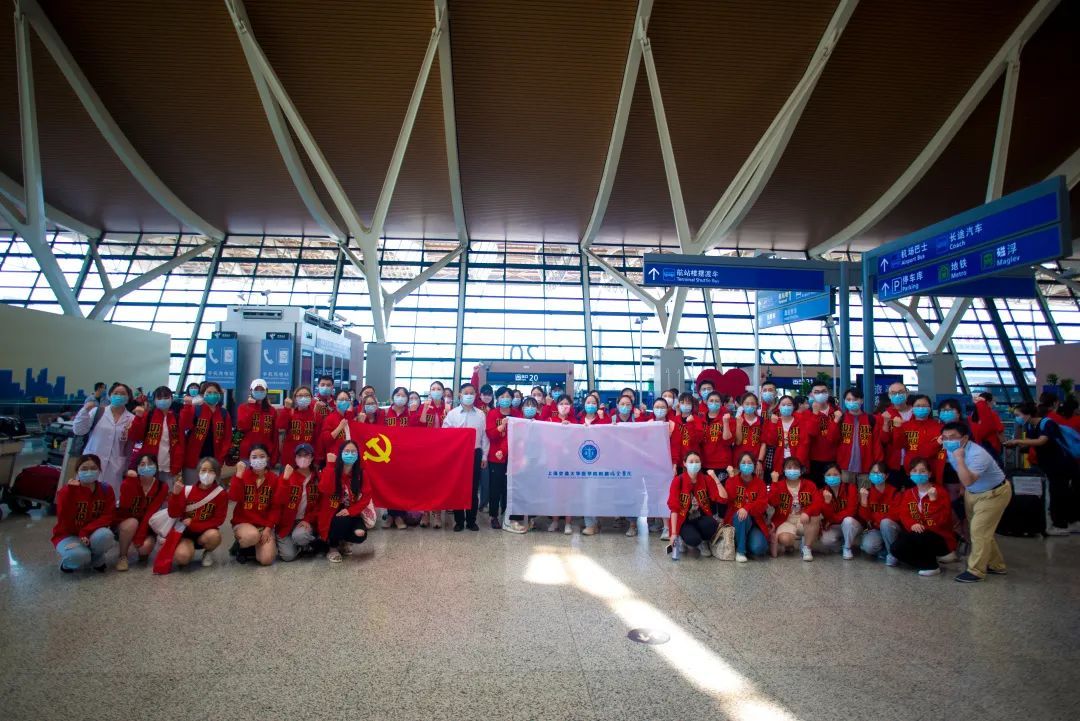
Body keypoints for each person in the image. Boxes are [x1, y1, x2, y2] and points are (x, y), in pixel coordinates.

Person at [942, 422, 1011, 583]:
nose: (948, 441)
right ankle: (996, 565)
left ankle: (976, 571)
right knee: (981, 530)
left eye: (953, 437)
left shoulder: (977, 454)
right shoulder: (951, 449)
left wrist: (960, 459)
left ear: (965, 438)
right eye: (945, 437)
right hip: (973, 493)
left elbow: (968, 480)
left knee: (979, 530)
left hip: (993, 494)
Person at [1006, 402, 1079, 536]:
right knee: (1058, 492)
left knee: (1058, 494)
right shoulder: (1030, 425)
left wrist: (1018, 441)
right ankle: (1068, 521)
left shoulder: (1047, 423)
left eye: (1018, 415)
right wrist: (1015, 443)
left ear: (1028, 414)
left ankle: (1061, 525)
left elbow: (1041, 441)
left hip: (1061, 464)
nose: (1017, 418)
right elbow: (1029, 443)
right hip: (1049, 465)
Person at [890, 457, 955, 576]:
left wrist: (933, 501)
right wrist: (912, 524)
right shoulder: (909, 493)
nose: (918, 474)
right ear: (910, 474)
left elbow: (941, 520)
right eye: (914, 471)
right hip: (917, 534)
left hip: (938, 537)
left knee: (920, 535)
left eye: (922, 471)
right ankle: (924, 562)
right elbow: (903, 514)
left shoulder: (940, 492)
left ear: (929, 474)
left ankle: (932, 566)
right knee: (896, 548)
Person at [52, 454, 116, 573]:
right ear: (77, 471)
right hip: (69, 534)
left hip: (92, 532)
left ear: (99, 470)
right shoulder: (66, 491)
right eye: (84, 469)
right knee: (78, 556)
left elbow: (108, 516)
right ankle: (69, 563)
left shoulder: (106, 489)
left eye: (93, 468)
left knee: (106, 535)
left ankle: (96, 559)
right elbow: (64, 518)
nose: (89, 472)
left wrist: (85, 531)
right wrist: (71, 493)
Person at [71, 381, 135, 493]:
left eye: (123, 394)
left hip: (115, 466)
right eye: (116, 393)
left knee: (110, 496)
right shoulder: (98, 412)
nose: (119, 396)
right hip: (92, 461)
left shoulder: (131, 419)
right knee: (85, 494)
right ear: (110, 396)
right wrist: (85, 411)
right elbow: (79, 430)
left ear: (128, 397)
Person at [165, 457, 227, 569]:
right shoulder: (187, 490)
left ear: (217, 474)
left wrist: (194, 524)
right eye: (203, 470)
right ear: (198, 472)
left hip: (205, 532)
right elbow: (173, 514)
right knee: (182, 558)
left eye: (211, 471)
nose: (207, 474)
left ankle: (208, 552)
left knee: (215, 536)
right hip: (186, 533)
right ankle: (187, 548)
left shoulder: (220, 494)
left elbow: (219, 520)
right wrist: (175, 495)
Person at [443, 383, 489, 532]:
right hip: (458, 455)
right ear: (460, 395)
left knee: (473, 489)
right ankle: (459, 521)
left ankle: (471, 520)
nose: (469, 395)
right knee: (458, 487)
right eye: (466, 393)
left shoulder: (481, 415)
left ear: (475, 395)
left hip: (475, 453)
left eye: (472, 393)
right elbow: (445, 434)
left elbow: (484, 437)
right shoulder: (453, 414)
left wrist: (484, 456)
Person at [666, 451, 725, 560]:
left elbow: (723, 498)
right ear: (684, 463)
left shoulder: (706, 479)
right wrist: (673, 533)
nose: (694, 464)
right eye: (691, 461)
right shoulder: (678, 480)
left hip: (700, 518)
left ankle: (704, 542)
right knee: (693, 540)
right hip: (684, 520)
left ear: (701, 464)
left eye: (697, 461)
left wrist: (715, 478)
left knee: (712, 524)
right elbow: (674, 509)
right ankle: (683, 538)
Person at [318, 443, 371, 563]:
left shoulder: (361, 474)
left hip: (351, 511)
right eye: (347, 451)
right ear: (340, 453)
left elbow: (366, 497)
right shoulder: (331, 470)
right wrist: (330, 465)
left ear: (357, 455)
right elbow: (324, 488)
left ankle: (344, 542)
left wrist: (350, 511)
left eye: (353, 452)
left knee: (360, 534)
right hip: (331, 512)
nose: (350, 454)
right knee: (342, 520)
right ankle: (332, 547)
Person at [114, 454, 168, 570]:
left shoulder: (162, 486)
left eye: (150, 464)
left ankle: (141, 553)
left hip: (146, 524)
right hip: (128, 520)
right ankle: (122, 556)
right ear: (137, 467)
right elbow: (125, 506)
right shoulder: (130, 481)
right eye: (142, 464)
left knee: (144, 548)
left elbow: (150, 512)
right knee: (132, 523)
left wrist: (140, 536)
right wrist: (130, 481)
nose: (147, 467)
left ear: (156, 466)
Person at [228, 445, 280, 566]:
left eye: (262, 456)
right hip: (244, 522)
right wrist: (238, 475)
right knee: (252, 536)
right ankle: (242, 546)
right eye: (254, 457)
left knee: (266, 560)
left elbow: (276, 507)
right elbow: (233, 497)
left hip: (264, 525)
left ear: (267, 458)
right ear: (249, 459)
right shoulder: (243, 475)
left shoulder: (274, 479)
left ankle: (254, 547)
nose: (258, 460)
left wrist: (268, 528)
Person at [767, 457, 822, 561]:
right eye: (789, 467)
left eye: (795, 467)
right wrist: (774, 483)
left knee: (815, 517)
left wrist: (807, 512)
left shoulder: (809, 485)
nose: (792, 470)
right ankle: (791, 544)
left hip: (803, 518)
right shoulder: (779, 485)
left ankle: (807, 548)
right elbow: (772, 502)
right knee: (785, 539)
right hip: (786, 520)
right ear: (784, 470)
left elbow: (818, 503)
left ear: (801, 470)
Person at [274, 444, 323, 561]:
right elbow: (277, 500)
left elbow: (320, 504)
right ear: (295, 458)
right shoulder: (288, 475)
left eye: (306, 455)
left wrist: (308, 519)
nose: (303, 458)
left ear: (312, 457)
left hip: (305, 521)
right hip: (286, 523)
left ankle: (311, 542)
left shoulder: (317, 477)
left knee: (300, 536)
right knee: (288, 556)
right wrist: (285, 480)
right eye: (299, 455)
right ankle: (301, 546)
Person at [179, 381, 232, 485]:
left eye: (215, 393)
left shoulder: (223, 413)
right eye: (209, 392)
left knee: (212, 489)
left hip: (214, 459)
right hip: (193, 459)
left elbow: (227, 438)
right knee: (191, 489)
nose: (212, 395)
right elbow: (184, 425)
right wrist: (187, 406)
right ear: (203, 395)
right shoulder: (195, 409)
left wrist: (221, 458)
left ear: (219, 395)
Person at [128, 385, 184, 482]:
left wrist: (178, 464)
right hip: (149, 465)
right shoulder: (148, 416)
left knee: (168, 490)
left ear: (171, 399)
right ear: (154, 400)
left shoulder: (177, 417)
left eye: (166, 397)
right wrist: (138, 418)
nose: (163, 400)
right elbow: (134, 437)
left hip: (170, 466)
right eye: (159, 397)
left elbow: (180, 443)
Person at [830, 387, 881, 489]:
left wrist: (878, 464)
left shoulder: (871, 419)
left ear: (861, 400)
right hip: (844, 467)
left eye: (855, 399)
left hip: (866, 467)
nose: (852, 402)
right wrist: (835, 421)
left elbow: (876, 444)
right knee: (846, 495)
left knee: (864, 495)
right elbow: (831, 439)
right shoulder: (841, 419)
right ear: (844, 401)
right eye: (848, 399)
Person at [723, 452, 769, 562]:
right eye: (743, 463)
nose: (746, 465)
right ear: (739, 465)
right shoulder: (731, 481)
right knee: (741, 515)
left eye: (749, 463)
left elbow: (762, 504)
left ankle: (743, 540)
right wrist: (732, 477)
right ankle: (740, 551)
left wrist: (747, 508)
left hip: (755, 522)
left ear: (754, 465)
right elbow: (729, 498)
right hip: (736, 521)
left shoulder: (760, 484)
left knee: (760, 548)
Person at [504, 396, 540, 534]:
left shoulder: (540, 423)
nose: (530, 408)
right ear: (522, 408)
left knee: (533, 490)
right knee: (517, 490)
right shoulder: (516, 422)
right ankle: (514, 520)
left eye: (533, 406)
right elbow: (511, 441)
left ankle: (531, 519)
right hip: (518, 462)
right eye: (527, 405)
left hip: (534, 462)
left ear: (537, 409)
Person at [886, 394, 942, 484]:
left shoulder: (939, 427)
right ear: (912, 408)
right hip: (911, 471)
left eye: (924, 406)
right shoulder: (906, 426)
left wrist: (935, 444)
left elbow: (934, 451)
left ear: (930, 408)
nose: (921, 408)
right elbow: (898, 445)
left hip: (931, 472)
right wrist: (897, 428)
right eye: (918, 406)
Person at [381, 386, 413, 529]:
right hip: (388, 454)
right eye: (398, 395)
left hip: (405, 454)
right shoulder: (385, 413)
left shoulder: (410, 413)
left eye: (403, 395)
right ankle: (390, 515)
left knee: (402, 485)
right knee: (389, 485)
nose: (400, 398)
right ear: (393, 396)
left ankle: (399, 516)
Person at [858, 462, 901, 565]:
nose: (875, 475)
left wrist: (875, 519)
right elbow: (865, 517)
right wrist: (864, 501)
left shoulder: (895, 493)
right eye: (873, 472)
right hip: (875, 529)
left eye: (879, 473)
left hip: (891, 529)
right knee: (868, 547)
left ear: (886, 476)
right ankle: (885, 551)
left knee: (885, 523)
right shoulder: (867, 492)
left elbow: (895, 515)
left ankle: (892, 554)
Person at [760, 394, 812, 478]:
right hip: (780, 462)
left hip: (797, 462)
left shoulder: (800, 422)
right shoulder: (775, 422)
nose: (786, 407)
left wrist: (796, 463)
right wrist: (773, 424)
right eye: (783, 405)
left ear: (793, 407)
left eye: (789, 405)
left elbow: (804, 444)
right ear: (779, 407)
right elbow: (771, 442)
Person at [817, 463, 861, 559]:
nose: (832, 477)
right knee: (826, 540)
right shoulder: (822, 492)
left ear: (841, 475)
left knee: (847, 521)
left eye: (835, 474)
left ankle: (847, 548)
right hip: (835, 525)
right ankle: (842, 545)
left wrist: (832, 519)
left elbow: (851, 511)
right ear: (824, 477)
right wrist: (827, 503)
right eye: (828, 475)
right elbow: (826, 516)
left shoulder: (850, 488)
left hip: (852, 523)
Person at [486, 386, 514, 530]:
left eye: (508, 396)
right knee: (495, 487)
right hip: (496, 456)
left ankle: (506, 514)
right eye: (502, 397)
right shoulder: (493, 413)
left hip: (512, 456)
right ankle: (493, 516)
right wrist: (500, 427)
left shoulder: (516, 413)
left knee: (508, 487)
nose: (505, 399)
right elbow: (490, 434)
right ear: (497, 399)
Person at [237, 378, 279, 467]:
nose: (259, 392)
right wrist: (251, 407)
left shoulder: (272, 411)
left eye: (262, 390)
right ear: (251, 391)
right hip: (247, 454)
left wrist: (274, 456)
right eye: (256, 390)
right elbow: (243, 426)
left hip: (265, 453)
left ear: (266, 391)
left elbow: (274, 435)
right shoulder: (243, 408)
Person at [879, 381, 914, 487]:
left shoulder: (916, 412)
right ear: (889, 396)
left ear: (907, 393)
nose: (897, 395)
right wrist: (885, 423)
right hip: (893, 464)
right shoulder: (886, 414)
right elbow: (883, 440)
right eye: (893, 393)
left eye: (901, 392)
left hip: (914, 464)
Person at [803, 381, 837, 485]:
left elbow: (837, 436)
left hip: (833, 459)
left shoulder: (836, 412)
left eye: (823, 391)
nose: (820, 394)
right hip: (814, 460)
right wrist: (815, 413)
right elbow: (811, 433)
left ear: (828, 393)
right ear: (811, 394)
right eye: (817, 392)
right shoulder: (807, 413)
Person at [276, 385, 319, 468]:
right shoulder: (290, 412)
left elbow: (318, 440)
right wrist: (286, 409)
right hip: (290, 458)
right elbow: (280, 426)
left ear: (311, 398)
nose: (303, 398)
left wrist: (317, 460)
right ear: (295, 398)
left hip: (308, 458)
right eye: (300, 395)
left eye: (307, 395)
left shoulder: (315, 415)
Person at [315, 389, 355, 466]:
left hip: (350, 456)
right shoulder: (329, 418)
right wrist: (340, 427)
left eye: (346, 400)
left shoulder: (350, 416)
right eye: (341, 399)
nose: (344, 402)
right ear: (335, 402)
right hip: (335, 457)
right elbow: (326, 440)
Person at [732, 392, 765, 475]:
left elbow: (763, 443)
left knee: (756, 483)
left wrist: (760, 461)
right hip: (738, 461)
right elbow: (738, 442)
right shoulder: (736, 420)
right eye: (747, 404)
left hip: (755, 462)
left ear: (756, 405)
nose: (750, 406)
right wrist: (739, 425)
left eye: (753, 403)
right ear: (742, 405)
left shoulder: (762, 421)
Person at [969, 391, 1005, 462]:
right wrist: (1005, 444)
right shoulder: (992, 414)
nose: (994, 403)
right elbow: (999, 430)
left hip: (978, 445)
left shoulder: (972, 415)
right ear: (988, 402)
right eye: (993, 401)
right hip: (992, 445)